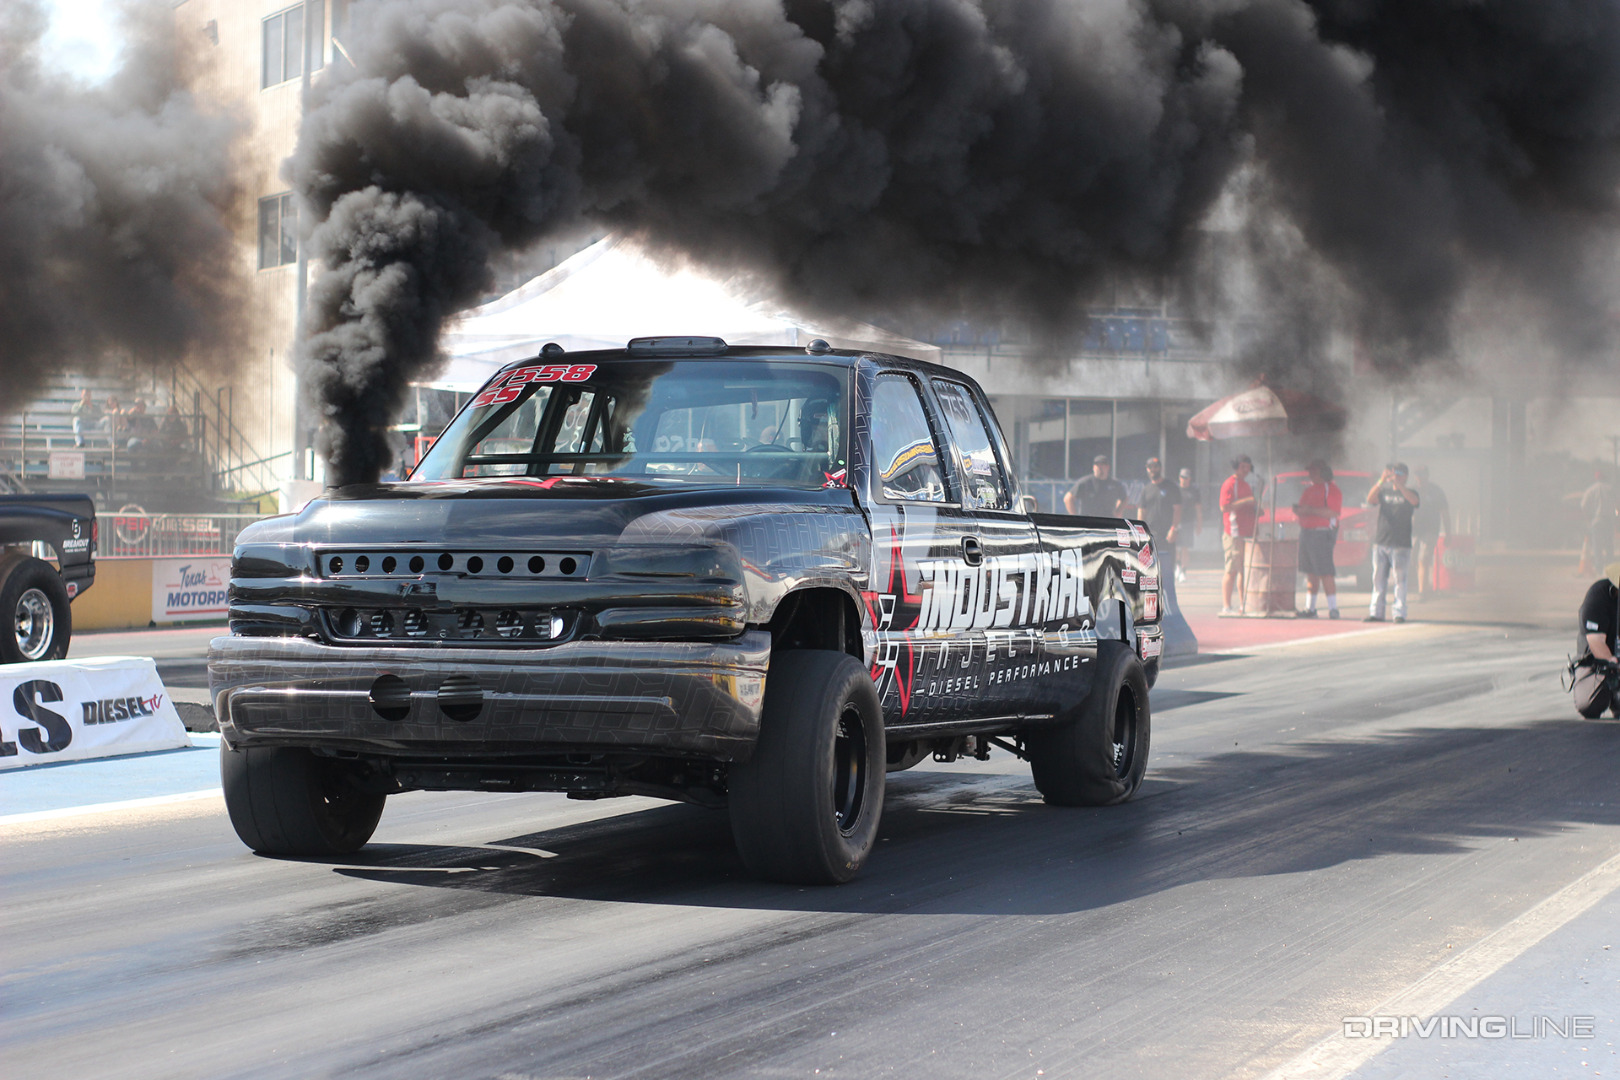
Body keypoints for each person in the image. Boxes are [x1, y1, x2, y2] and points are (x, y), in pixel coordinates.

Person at [1366, 462, 1420, 623]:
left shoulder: (1411, 492)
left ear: (1406, 476)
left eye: (1399, 473)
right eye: (1393, 473)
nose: (1396, 476)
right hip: (1381, 541)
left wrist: (1399, 485)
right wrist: (1381, 481)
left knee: (1400, 580)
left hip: (1401, 544)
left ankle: (1399, 613)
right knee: (1378, 579)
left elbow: (1415, 502)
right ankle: (1376, 612)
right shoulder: (1384, 491)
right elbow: (1370, 499)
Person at [1294, 459, 1342, 619]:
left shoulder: (1331, 489)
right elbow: (1302, 509)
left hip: (1322, 533)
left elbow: (1333, 512)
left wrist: (1310, 510)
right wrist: (1300, 510)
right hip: (1306, 532)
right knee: (1311, 572)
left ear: (1323, 473)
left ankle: (1333, 608)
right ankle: (1310, 608)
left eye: (1314, 471)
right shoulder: (1308, 490)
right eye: (1310, 471)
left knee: (1325, 572)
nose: (1311, 474)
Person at [1571, 562, 1619, 719]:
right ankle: (1609, 693)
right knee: (1590, 705)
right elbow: (1596, 641)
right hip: (1597, 663)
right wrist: (1612, 662)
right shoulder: (1599, 596)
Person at [1218, 454, 1257, 615]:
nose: (1246, 470)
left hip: (1246, 532)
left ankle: (1243, 605)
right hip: (1233, 533)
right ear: (1236, 467)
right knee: (1232, 569)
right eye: (1243, 467)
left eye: (1248, 467)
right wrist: (1246, 501)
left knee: (1243, 570)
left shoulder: (1246, 485)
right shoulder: (1229, 484)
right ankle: (1226, 606)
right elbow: (1224, 507)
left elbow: (1249, 505)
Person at [1410, 465, 1451, 598]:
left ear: (1427, 475)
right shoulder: (1412, 490)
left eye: (1421, 474)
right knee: (1414, 560)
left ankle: (1422, 592)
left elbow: (1445, 513)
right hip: (1414, 532)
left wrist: (1448, 533)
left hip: (1430, 530)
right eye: (1417, 474)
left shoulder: (1436, 491)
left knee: (1423, 559)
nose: (1419, 477)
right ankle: (1424, 586)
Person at [1578, 469, 1615, 574]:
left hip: (1596, 521)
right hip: (1608, 521)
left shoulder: (1590, 490)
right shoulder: (1610, 489)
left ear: (1595, 478)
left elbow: (1583, 505)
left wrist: (1588, 518)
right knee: (1609, 545)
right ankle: (1610, 568)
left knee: (1597, 546)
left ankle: (1599, 568)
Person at [1175, 466, 1203, 583]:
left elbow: (1198, 509)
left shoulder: (1194, 491)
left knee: (1185, 547)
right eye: (1182, 477)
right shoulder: (1175, 490)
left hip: (1188, 522)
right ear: (1179, 477)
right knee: (1175, 547)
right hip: (1176, 521)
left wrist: (1199, 524)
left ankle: (1183, 570)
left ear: (1190, 479)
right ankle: (1177, 566)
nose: (1184, 480)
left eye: (1186, 477)